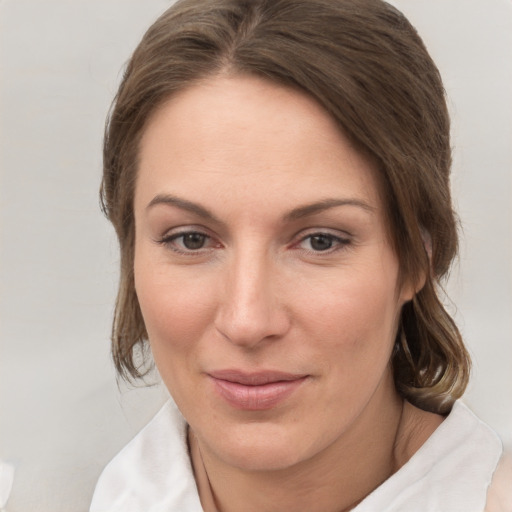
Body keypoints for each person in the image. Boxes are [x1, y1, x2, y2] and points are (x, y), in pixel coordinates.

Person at [89, 0, 511, 510]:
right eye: (191, 239)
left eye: (320, 241)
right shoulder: (121, 492)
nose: (247, 322)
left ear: (418, 257)